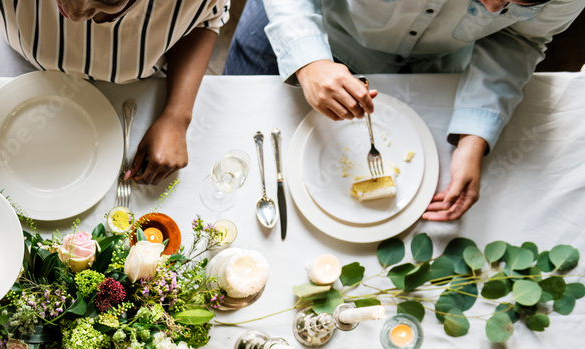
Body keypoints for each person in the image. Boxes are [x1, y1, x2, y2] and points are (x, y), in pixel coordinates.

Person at [223, 0, 585, 221]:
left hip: (433, 61)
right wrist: (309, 60)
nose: (492, 9)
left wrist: (475, 136)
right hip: (301, 21)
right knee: (232, 146)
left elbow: (519, 37)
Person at [0, 0, 231, 218]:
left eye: (105, 2)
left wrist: (177, 116)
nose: (75, 14)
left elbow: (205, 19)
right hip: (20, 59)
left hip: (133, 84)